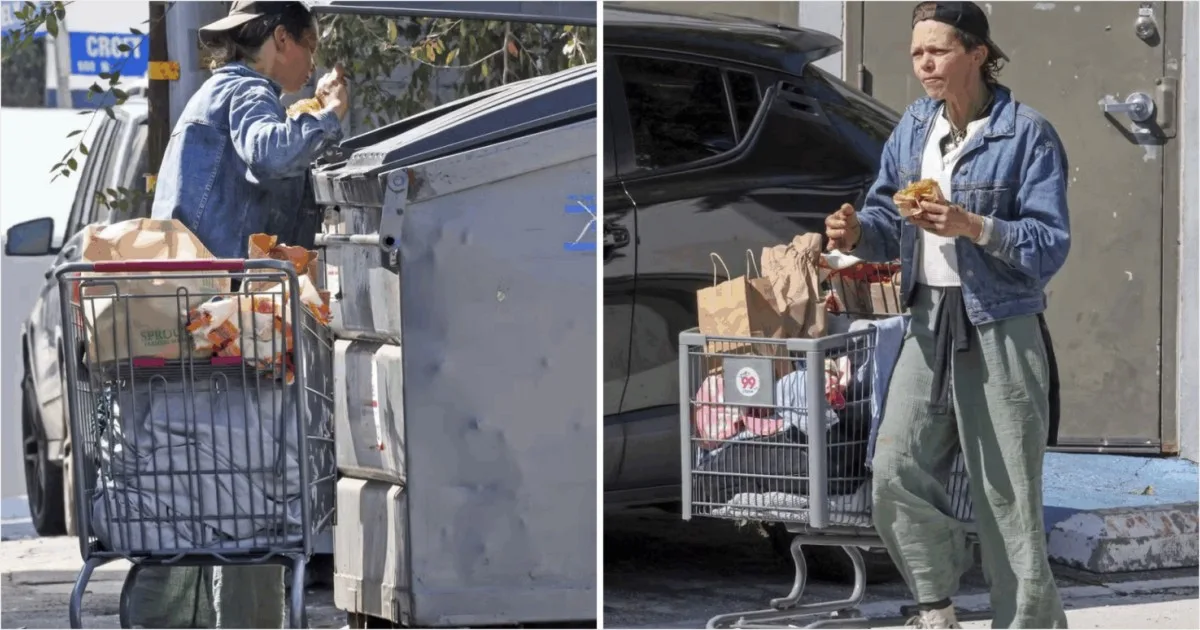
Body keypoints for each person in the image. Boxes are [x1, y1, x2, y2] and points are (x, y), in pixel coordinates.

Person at [824, 2, 1070, 628]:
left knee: (1008, 497)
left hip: (1000, 323)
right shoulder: (914, 127)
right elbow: (885, 218)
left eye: (938, 50)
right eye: (916, 53)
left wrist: (974, 225)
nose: (924, 64)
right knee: (893, 470)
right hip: (927, 319)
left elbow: (1050, 244)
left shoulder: (1027, 134)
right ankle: (936, 603)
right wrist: (855, 232)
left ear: (978, 53)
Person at [131, 2, 348, 627]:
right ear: (282, 39)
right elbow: (269, 151)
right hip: (217, 319)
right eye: (309, 47)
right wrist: (328, 116)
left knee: (187, 492)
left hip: (196, 317)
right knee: (243, 492)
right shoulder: (243, 91)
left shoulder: (214, 93)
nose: (311, 65)